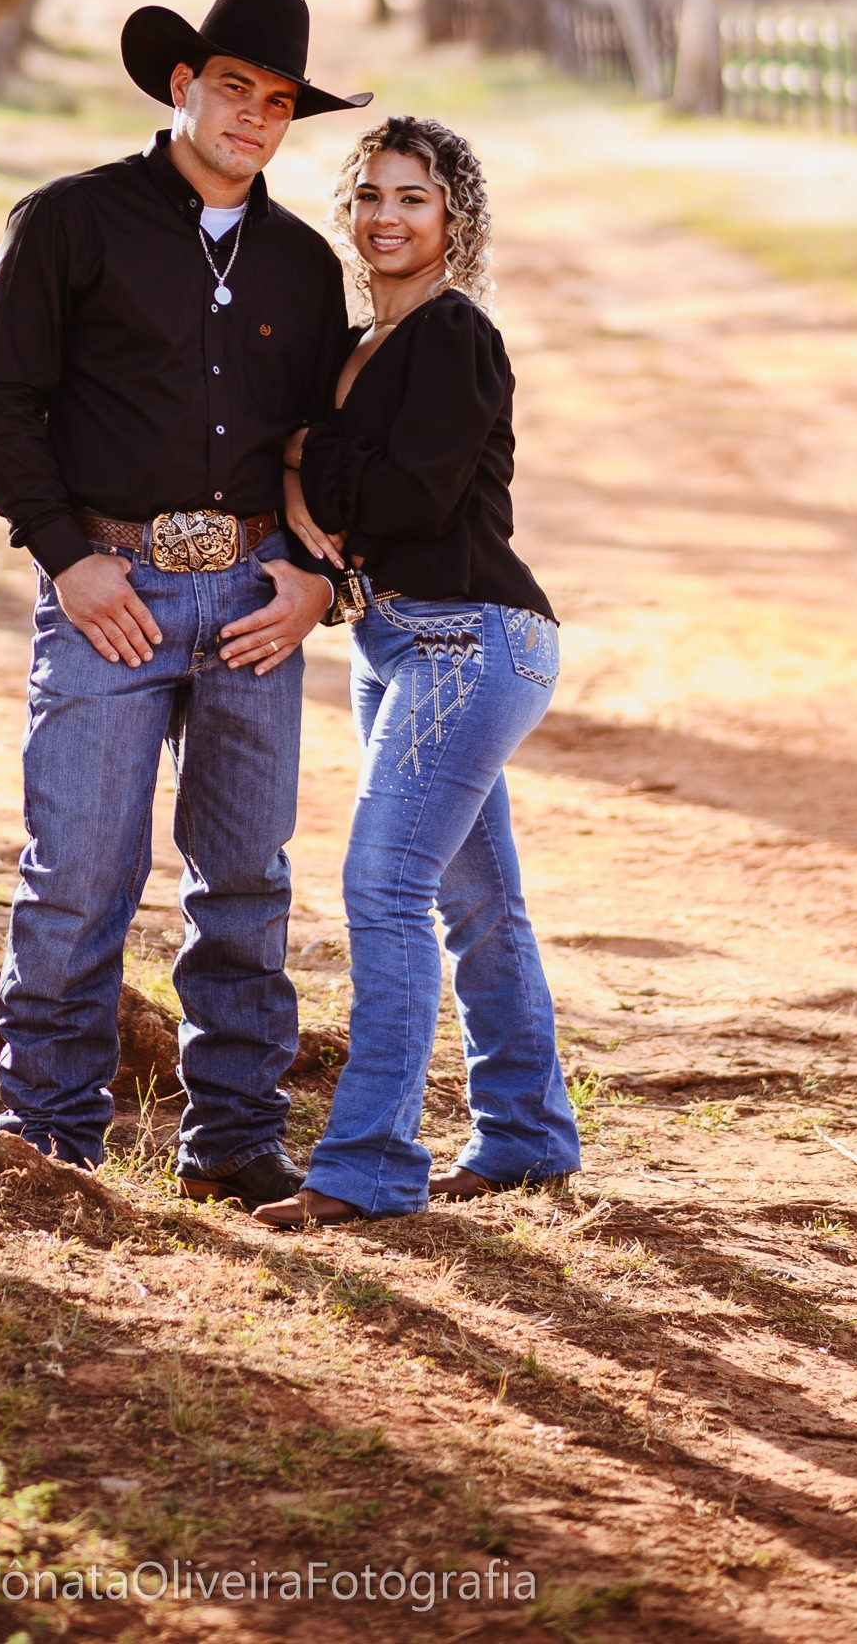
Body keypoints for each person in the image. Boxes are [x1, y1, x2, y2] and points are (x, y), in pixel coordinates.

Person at [0, 0, 370, 1205]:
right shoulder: (68, 223)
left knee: (244, 877)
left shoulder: (300, 265)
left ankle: (235, 1144)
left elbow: (320, 446)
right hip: (109, 589)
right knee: (79, 867)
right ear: (182, 87)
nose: (252, 116)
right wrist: (66, 559)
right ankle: (45, 1141)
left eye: (278, 101)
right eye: (233, 87)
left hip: (252, 601)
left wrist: (311, 582)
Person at [257, 114, 581, 1227]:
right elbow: (343, 492)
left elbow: (408, 500)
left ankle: (367, 1169)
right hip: (392, 640)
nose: (385, 218)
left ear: (454, 217)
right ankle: (528, 1138)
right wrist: (312, 468)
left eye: (412, 198)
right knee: (476, 901)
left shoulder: (454, 336)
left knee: (383, 886)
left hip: (472, 638)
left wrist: (305, 456)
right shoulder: (353, 343)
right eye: (369, 196)